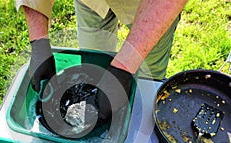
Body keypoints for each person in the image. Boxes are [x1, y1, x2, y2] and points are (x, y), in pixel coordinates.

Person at [15, 0, 188, 120]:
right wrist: (39, 41)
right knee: (92, 66)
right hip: (92, 3)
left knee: (144, 88)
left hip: (153, 7)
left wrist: (124, 68)